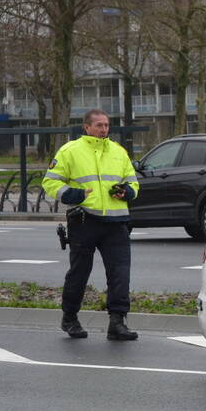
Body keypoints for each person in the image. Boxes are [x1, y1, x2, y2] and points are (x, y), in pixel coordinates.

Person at [42, 109, 140, 340]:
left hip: (116, 222)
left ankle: (117, 323)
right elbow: (50, 182)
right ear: (86, 127)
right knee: (79, 272)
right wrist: (72, 195)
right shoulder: (70, 151)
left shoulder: (118, 151)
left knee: (120, 274)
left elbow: (133, 183)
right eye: (99, 125)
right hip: (84, 220)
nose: (104, 129)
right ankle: (70, 318)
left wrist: (127, 192)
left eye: (106, 125)